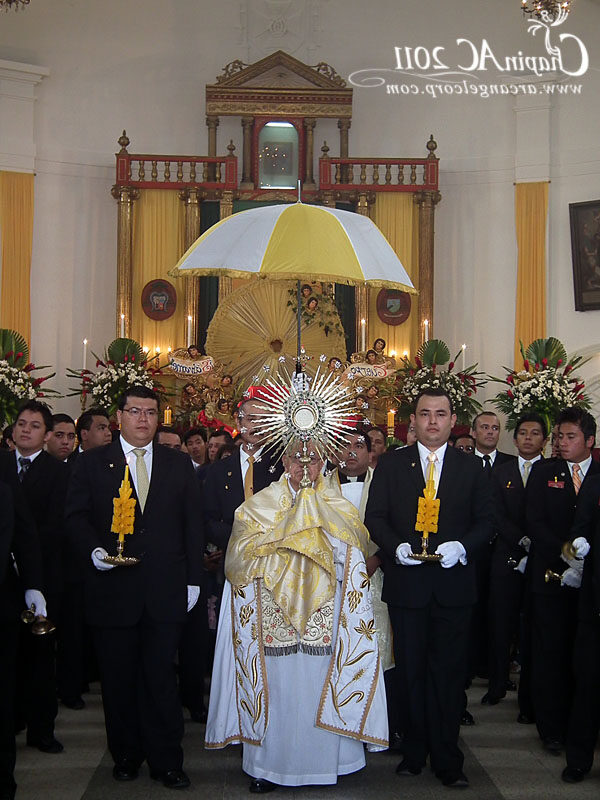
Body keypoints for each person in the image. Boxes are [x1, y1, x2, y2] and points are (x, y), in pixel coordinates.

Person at [206, 445, 388, 790]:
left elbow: (354, 556)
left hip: (327, 617)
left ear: (325, 462)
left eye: (315, 459)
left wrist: (328, 548)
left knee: (321, 684)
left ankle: (332, 764)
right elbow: (238, 561)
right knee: (278, 690)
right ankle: (269, 768)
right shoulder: (258, 507)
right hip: (272, 617)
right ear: (283, 461)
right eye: (295, 459)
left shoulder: (338, 507)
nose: (304, 467)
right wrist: (279, 547)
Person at [66, 385, 203, 789]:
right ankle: (125, 754)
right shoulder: (92, 464)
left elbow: (192, 526)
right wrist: (93, 551)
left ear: (159, 418)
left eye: (151, 412)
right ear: (119, 417)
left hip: (164, 590)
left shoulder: (178, 465)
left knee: (161, 677)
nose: (143, 419)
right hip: (114, 589)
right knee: (118, 677)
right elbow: (74, 518)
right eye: (135, 411)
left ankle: (167, 760)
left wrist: (194, 579)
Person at [365, 388, 493, 788]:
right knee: (411, 672)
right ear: (413, 421)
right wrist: (395, 546)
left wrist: (463, 546)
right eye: (425, 414)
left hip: (453, 587)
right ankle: (415, 750)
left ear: (453, 421)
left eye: (441, 414)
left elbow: (487, 521)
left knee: (450, 675)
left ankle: (448, 757)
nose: (433, 421)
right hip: (408, 586)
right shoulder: (391, 464)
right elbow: (376, 516)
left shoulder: (470, 468)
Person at [526, 406, 600, 755]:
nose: (562, 443)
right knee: (549, 654)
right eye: (559, 436)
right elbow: (535, 521)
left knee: (582, 659)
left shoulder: (598, 476)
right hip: (550, 576)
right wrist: (565, 553)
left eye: (571, 437)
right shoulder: (544, 472)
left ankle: (579, 727)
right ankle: (551, 728)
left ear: (590, 440)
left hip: (590, 586)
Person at [12, 400, 69, 754]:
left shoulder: (60, 472)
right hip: (7, 575)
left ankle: (41, 729)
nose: (25, 430)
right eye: (20, 424)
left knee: (41, 656)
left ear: (46, 435)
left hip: (45, 575)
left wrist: (23, 553)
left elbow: (57, 526)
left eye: (34, 426)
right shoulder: (2, 464)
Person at [484, 413, 547, 713]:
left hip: (541, 558)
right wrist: (520, 541)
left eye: (535, 433)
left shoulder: (552, 471)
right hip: (506, 556)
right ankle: (496, 685)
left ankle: (530, 698)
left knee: (534, 628)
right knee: (500, 623)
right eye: (523, 433)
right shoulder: (502, 470)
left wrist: (535, 543)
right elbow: (494, 512)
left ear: (544, 440)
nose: (528, 438)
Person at [560, 469, 600, 783]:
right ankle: (578, 760)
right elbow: (580, 527)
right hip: (596, 599)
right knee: (588, 684)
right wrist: (579, 542)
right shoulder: (596, 479)